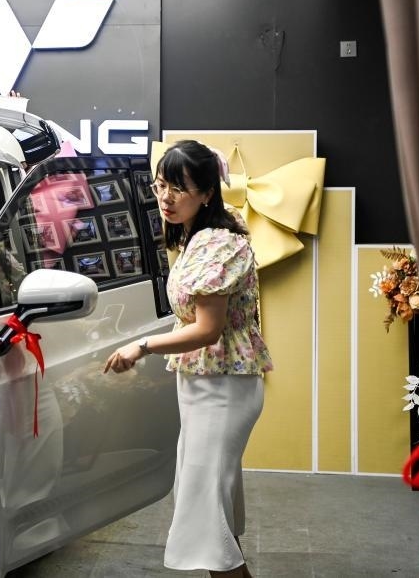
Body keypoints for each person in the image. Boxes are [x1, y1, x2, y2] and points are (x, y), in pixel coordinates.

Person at [103, 139, 272, 578]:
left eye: (178, 188)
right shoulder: (200, 237)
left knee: (205, 514)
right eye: (161, 185)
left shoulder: (218, 243)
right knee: (210, 509)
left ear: (207, 193)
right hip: (206, 384)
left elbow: (207, 329)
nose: (166, 197)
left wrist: (142, 346)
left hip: (224, 387)